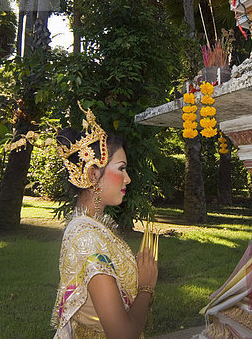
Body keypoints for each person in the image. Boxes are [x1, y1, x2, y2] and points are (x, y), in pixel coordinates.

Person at [50, 104, 158, 338]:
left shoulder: (89, 227)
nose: (127, 179)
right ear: (92, 174)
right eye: (121, 168)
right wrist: (146, 287)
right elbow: (123, 334)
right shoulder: (88, 239)